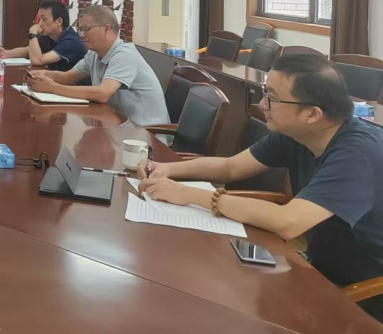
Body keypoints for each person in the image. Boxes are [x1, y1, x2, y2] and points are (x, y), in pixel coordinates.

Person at [138, 54, 383, 322]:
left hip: (366, 292)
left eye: (272, 98)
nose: (262, 104)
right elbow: (231, 168)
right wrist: (168, 169)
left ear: (312, 114)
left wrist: (190, 195)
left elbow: (288, 222)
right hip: (320, 266)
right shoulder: (297, 133)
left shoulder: (358, 153)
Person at [26, 4, 169, 126]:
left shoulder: (124, 54)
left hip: (146, 133)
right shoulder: (94, 54)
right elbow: (68, 77)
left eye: (85, 29)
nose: (81, 35)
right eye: (80, 29)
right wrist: (42, 75)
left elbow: (102, 94)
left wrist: (52, 87)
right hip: (119, 125)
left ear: (106, 28)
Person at [0, 0, 86, 70]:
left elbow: (37, 60)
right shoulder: (49, 35)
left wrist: (33, 33)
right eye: (40, 19)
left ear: (58, 21)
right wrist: (6, 53)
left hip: (76, 86)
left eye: (44, 19)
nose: (40, 23)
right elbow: (28, 50)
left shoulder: (71, 41)